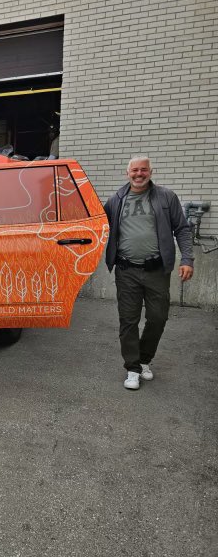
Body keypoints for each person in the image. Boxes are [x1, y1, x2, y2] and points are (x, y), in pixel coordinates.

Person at [104, 156, 194, 390]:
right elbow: (97, 225)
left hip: (156, 271)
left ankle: (144, 359)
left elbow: (182, 229)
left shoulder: (166, 197)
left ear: (151, 172)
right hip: (126, 270)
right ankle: (133, 368)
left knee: (158, 318)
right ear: (127, 173)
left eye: (143, 170)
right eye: (134, 170)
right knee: (128, 321)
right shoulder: (116, 200)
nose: (139, 174)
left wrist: (187, 259)